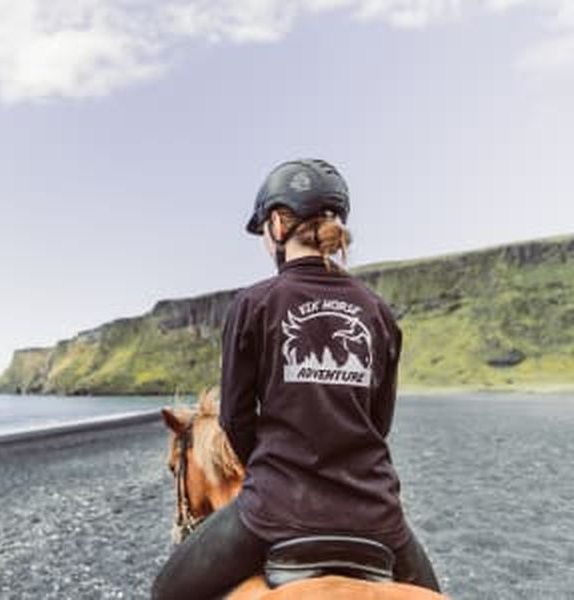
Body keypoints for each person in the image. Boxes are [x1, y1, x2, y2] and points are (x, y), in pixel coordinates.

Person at [152, 159, 441, 599]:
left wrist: (273, 471)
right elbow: (378, 423)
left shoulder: (253, 303)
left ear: (277, 223)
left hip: (275, 508)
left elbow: (236, 420)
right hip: (375, 512)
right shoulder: (378, 312)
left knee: (166, 591)